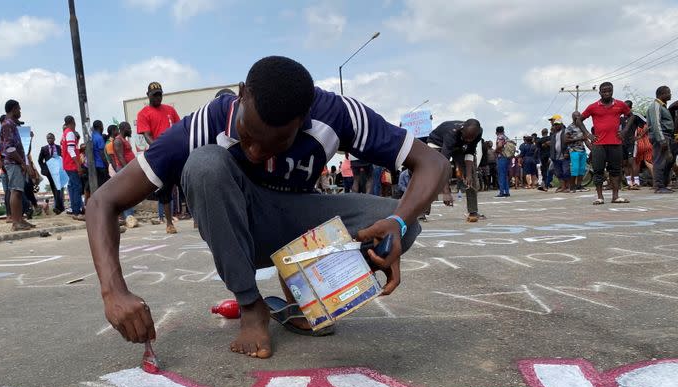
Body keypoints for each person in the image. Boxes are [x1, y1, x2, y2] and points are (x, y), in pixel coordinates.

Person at [86, 56, 448, 359]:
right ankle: (251, 305)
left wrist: (398, 221)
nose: (256, 152)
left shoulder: (337, 114)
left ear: (304, 117)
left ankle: (304, 297)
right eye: (247, 136)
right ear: (242, 96)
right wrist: (113, 291)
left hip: (297, 223)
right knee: (203, 165)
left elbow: (432, 163)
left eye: (275, 143)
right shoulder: (205, 124)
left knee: (402, 224)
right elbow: (103, 201)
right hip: (243, 230)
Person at [577, 82, 633, 204]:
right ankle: (599, 197)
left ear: (612, 91)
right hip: (599, 144)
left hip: (615, 143)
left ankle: (615, 196)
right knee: (598, 170)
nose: (607, 93)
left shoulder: (620, 104)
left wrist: (625, 131)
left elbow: (631, 116)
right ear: (600, 92)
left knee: (616, 170)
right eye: (604, 91)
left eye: (609, 91)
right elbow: (579, 120)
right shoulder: (593, 107)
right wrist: (588, 134)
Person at [136, 81, 181, 234]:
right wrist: (160, 149)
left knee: (187, 184)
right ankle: (169, 223)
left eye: (160, 95)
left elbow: (179, 128)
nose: (158, 98)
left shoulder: (170, 110)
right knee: (166, 189)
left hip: (176, 152)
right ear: (148, 95)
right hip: (161, 155)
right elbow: (147, 135)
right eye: (154, 95)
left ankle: (197, 219)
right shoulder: (143, 113)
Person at [426, 119, 482, 221]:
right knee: (430, 175)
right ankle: (422, 212)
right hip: (437, 143)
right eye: (467, 137)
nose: (469, 140)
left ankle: (473, 210)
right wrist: (446, 192)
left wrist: (468, 175)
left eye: (471, 138)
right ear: (462, 130)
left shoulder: (478, 133)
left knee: (471, 175)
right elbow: (442, 164)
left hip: (459, 146)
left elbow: (470, 152)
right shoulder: (451, 133)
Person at [0, 99, 36, 230]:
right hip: (13, 163)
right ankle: (16, 222)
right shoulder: (7, 125)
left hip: (16, 162)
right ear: (13, 109)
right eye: (19, 109)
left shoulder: (12, 125)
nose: (20, 112)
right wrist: (22, 163)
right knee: (15, 191)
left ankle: (20, 220)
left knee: (19, 192)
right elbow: (9, 148)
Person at [646, 86, 674, 194]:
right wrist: (661, 140)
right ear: (661, 94)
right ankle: (658, 186)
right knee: (659, 161)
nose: (670, 95)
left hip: (665, 136)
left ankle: (662, 184)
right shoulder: (656, 106)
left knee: (667, 161)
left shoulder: (662, 106)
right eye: (668, 93)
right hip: (661, 137)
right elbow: (656, 124)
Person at [61, 115, 84, 219]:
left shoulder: (64, 133)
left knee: (74, 187)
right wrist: (78, 164)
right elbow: (71, 150)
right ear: (73, 122)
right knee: (77, 186)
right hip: (71, 164)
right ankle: (76, 210)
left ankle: (76, 209)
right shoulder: (70, 133)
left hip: (67, 163)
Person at [113, 122, 137, 219]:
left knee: (129, 193)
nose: (130, 130)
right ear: (124, 129)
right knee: (127, 193)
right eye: (129, 128)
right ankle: (128, 216)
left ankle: (128, 216)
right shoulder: (118, 141)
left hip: (126, 169)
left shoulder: (123, 140)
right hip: (123, 170)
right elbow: (120, 157)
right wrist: (128, 170)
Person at [38, 133, 64, 213]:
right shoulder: (44, 149)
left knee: (58, 188)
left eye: (51, 138)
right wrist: (44, 169)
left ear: (54, 139)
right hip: (49, 172)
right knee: (54, 188)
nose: (49, 140)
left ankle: (58, 207)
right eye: (48, 138)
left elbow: (62, 157)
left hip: (58, 171)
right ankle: (60, 207)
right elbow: (40, 160)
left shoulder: (58, 148)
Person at [565, 111, 590, 192]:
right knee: (575, 169)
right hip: (574, 150)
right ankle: (572, 187)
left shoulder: (582, 126)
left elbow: (585, 139)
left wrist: (592, 149)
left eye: (579, 116)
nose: (578, 117)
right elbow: (565, 140)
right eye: (576, 116)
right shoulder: (570, 127)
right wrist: (579, 139)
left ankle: (579, 186)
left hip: (582, 150)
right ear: (573, 117)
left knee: (582, 169)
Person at [91, 120, 110, 188]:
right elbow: (102, 154)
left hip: (95, 165)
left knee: (99, 185)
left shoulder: (92, 136)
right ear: (100, 127)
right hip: (101, 165)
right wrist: (107, 165)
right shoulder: (99, 138)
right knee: (104, 186)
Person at [494, 126, 512, 197]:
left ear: (496, 132)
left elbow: (500, 145)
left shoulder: (500, 137)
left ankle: (502, 192)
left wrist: (495, 150)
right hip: (507, 157)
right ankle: (506, 191)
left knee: (501, 175)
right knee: (505, 175)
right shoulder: (506, 137)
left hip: (502, 157)